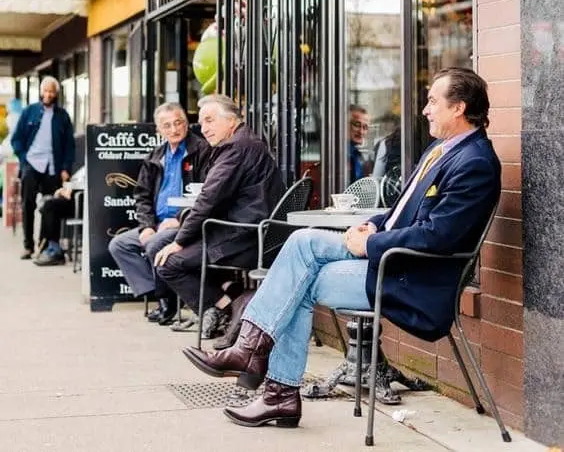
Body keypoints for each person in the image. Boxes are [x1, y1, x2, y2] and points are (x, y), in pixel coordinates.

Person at [183, 68, 501, 429]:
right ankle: (254, 360)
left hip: (412, 278)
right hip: (390, 259)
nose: (425, 109)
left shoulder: (475, 162)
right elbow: (404, 210)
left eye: (432, 101)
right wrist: (374, 225)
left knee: (298, 284)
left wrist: (371, 243)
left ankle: (272, 384)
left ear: (458, 107)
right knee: (302, 241)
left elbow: (439, 236)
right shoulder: (442, 149)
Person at [153, 94, 285, 332]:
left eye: (210, 120)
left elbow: (207, 200)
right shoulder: (245, 142)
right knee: (166, 246)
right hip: (251, 233)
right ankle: (230, 303)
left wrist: (179, 242)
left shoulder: (235, 148)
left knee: (168, 263)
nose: (204, 129)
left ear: (231, 120)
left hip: (244, 238)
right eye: (201, 122)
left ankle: (230, 308)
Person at [108, 102, 211, 326]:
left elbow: (207, 196)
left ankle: (167, 301)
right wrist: (147, 226)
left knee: (155, 244)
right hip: (157, 223)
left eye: (178, 123)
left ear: (187, 123)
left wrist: (179, 219)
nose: (174, 129)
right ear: (158, 130)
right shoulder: (155, 156)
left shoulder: (201, 151)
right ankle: (162, 293)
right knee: (119, 245)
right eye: (167, 125)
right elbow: (142, 196)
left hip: (186, 224)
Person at [11, 77, 75, 260]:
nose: (48, 94)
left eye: (52, 91)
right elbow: (16, 139)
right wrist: (24, 159)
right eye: (45, 91)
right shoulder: (29, 112)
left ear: (56, 93)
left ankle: (44, 245)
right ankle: (28, 245)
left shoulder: (62, 116)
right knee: (28, 205)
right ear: (41, 91)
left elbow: (69, 146)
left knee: (49, 205)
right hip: (31, 164)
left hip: (53, 167)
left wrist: (66, 168)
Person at [32, 164, 85, 265]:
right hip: (74, 196)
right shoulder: (85, 166)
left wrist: (69, 190)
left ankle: (54, 250)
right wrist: (64, 190)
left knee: (50, 205)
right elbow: (73, 182)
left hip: (83, 201)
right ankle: (48, 247)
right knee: (47, 202)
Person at [348, 105, 371, 182]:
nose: (361, 131)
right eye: (357, 125)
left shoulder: (357, 155)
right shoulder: (341, 154)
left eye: (365, 127)